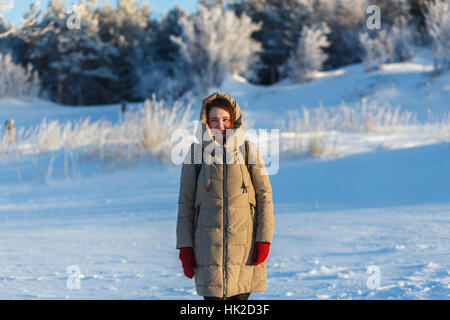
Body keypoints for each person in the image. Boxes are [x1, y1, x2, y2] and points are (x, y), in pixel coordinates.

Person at [176, 92, 274, 300]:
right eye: (214, 120)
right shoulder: (195, 154)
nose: (220, 125)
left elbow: (265, 197)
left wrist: (264, 240)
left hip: (244, 250)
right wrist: (185, 246)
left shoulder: (248, 151)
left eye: (225, 120)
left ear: (234, 121)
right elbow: (185, 203)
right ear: (206, 123)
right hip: (207, 251)